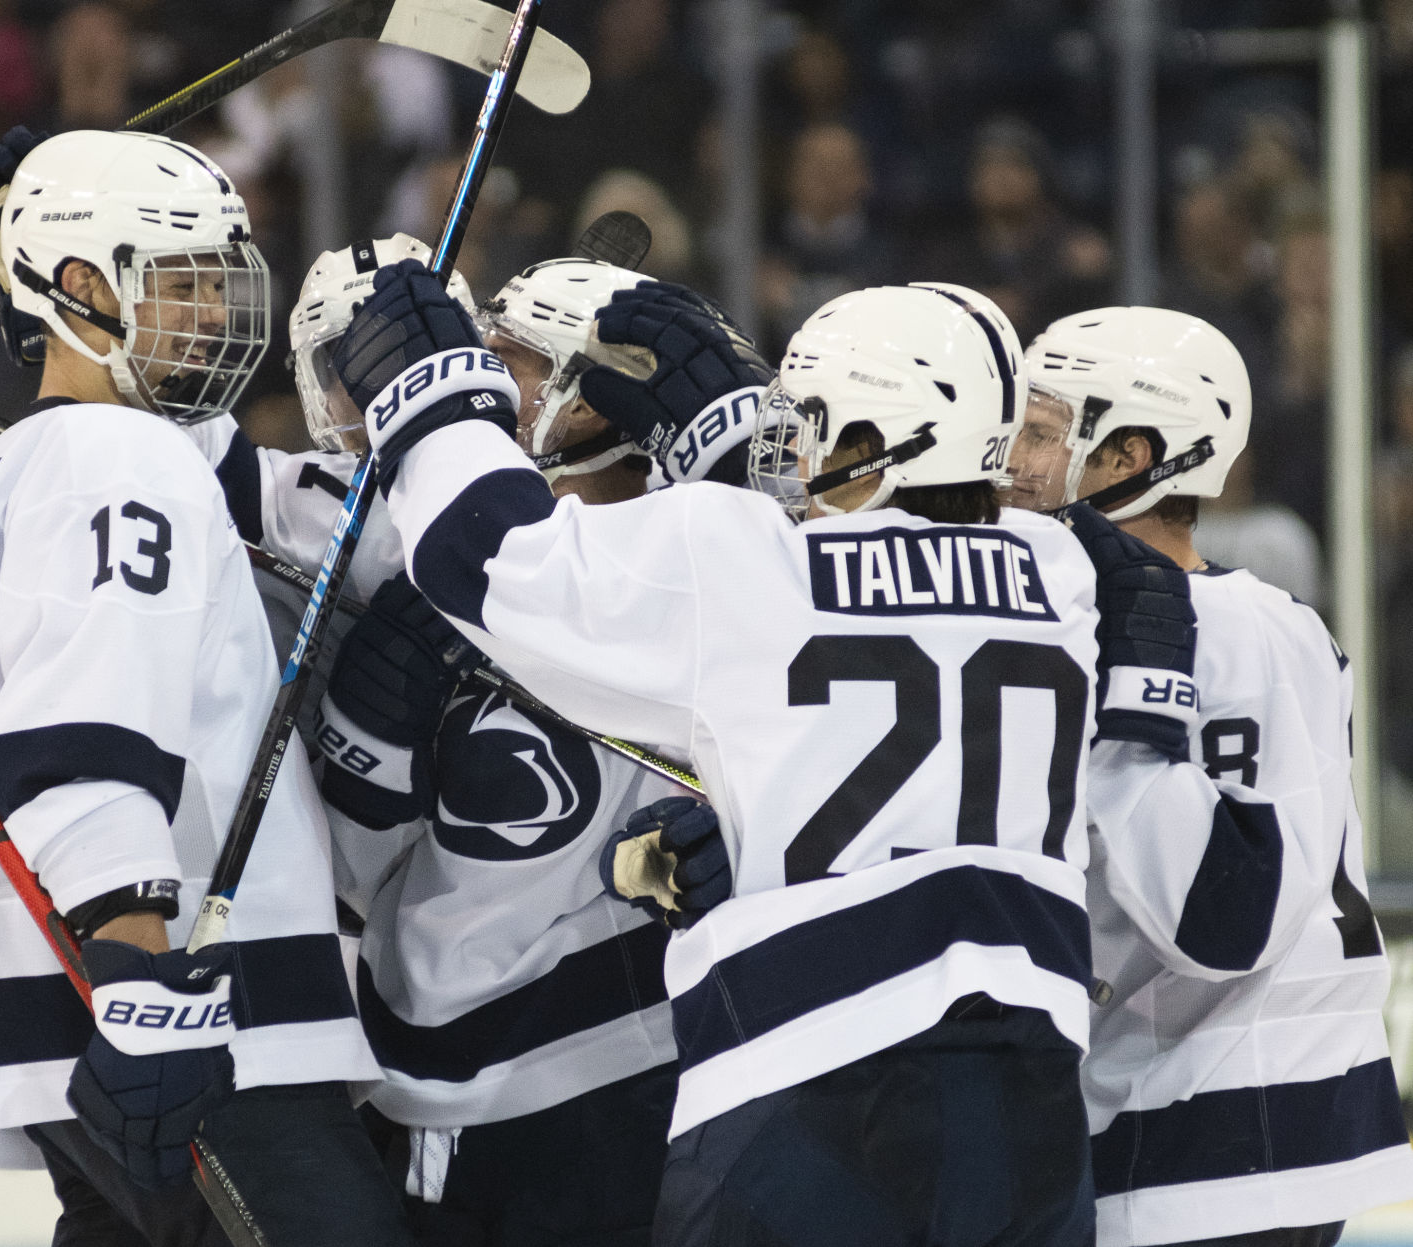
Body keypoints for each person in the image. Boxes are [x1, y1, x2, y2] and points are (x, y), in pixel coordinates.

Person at [327, 262, 1130, 1246]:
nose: (783, 449)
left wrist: (437, 394)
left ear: (875, 443)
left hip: (807, 1090)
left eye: (809, 422)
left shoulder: (740, 560)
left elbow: (487, 554)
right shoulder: (1060, 576)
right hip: (1030, 1101)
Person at [0, 129, 411, 1246]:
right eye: (179, 282)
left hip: (59, 1003)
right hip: (181, 1011)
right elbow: (79, 733)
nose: (210, 310)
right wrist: (138, 977)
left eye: (215, 280)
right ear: (82, 289)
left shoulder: (21, 464)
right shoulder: (115, 458)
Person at [304, 247, 729, 1245]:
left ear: (589, 400)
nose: (485, 375)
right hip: (458, 1105)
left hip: (659, 1083)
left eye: (510, 357)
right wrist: (362, 738)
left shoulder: (731, 568)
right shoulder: (427, 578)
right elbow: (343, 870)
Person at [1008, 306, 1413, 1247]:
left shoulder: (1239, 631)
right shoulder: (1090, 616)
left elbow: (1227, 912)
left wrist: (1123, 731)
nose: (1009, 458)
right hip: (1201, 1119)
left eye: (1039, 431)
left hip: (1219, 1127)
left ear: (1132, 454)